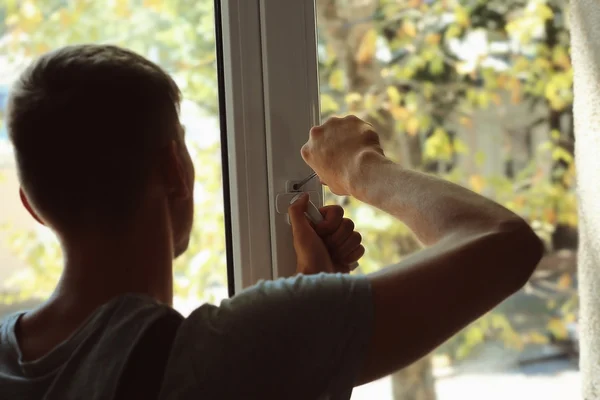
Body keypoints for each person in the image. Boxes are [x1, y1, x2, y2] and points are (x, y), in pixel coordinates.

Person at [0, 44, 543, 400]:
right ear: (174, 169)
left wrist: (314, 290)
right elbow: (502, 243)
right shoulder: (216, 357)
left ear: (33, 205)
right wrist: (360, 168)